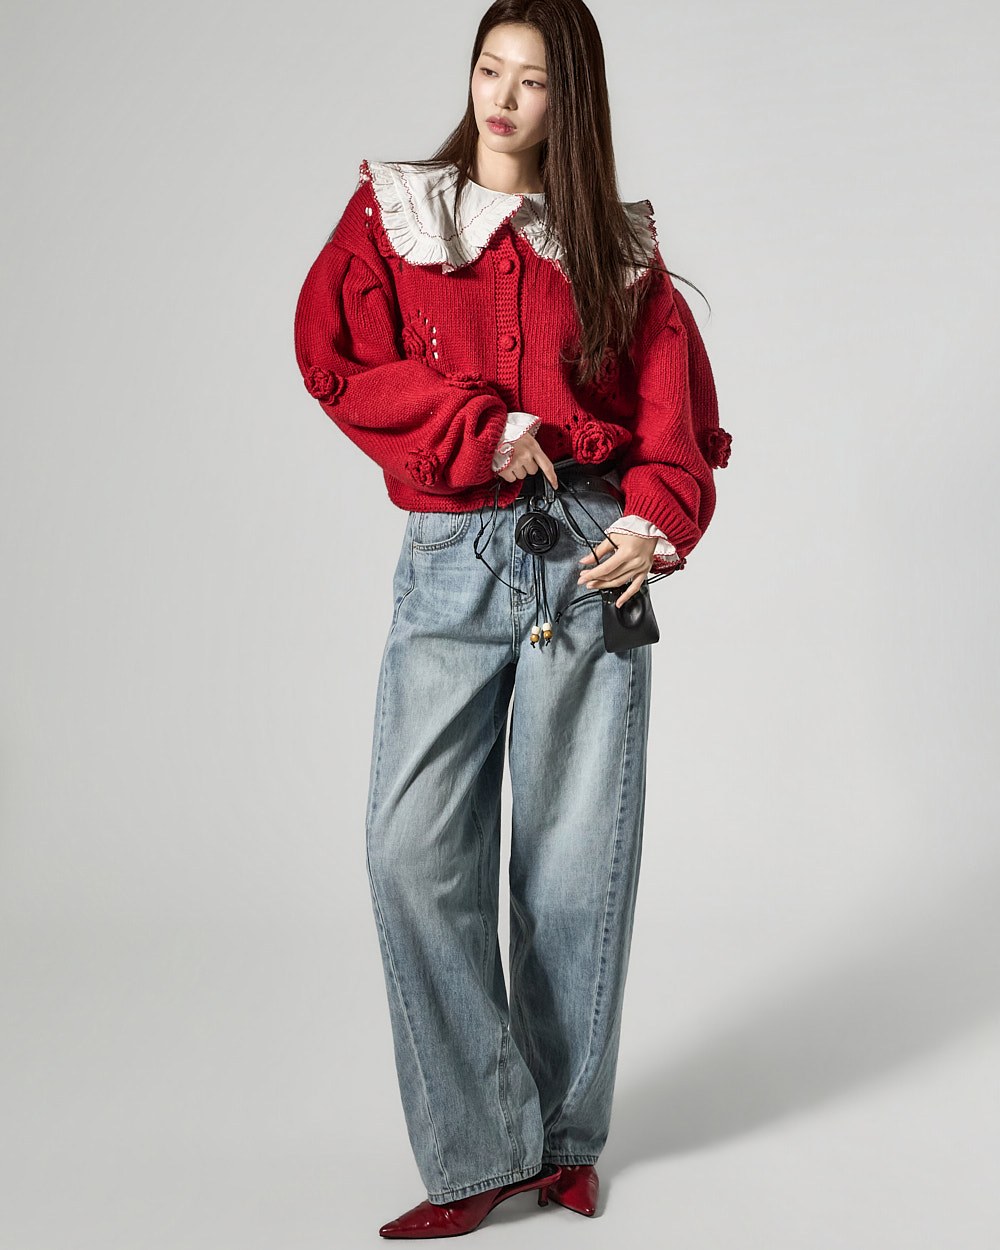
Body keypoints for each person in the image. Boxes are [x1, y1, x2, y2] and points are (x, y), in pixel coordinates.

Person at [293, 0, 731, 1238]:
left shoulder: (615, 251)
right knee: (410, 850)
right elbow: (334, 354)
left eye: (531, 81)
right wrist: (472, 427)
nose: (501, 97)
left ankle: (564, 1142)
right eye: (489, 68)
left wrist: (651, 521)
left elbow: (674, 418)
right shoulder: (398, 214)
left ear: (566, 100)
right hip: (452, 555)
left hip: (586, 560)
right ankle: (486, 1141)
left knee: (573, 864)